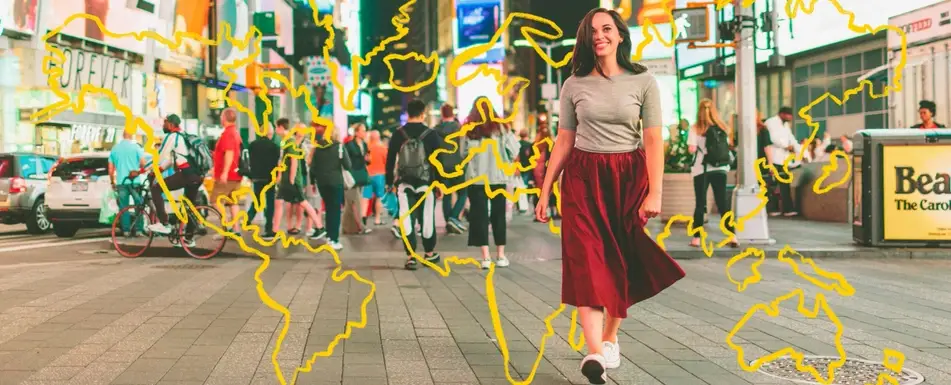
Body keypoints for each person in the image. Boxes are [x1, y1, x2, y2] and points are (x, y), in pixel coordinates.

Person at [534, 8, 685, 384]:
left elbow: (653, 138)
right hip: (583, 178)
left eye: (606, 29)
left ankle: (610, 336)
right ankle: (595, 354)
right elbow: (565, 139)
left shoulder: (643, 81)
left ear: (620, 36)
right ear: (585, 40)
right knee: (586, 259)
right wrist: (546, 187)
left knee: (623, 259)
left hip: (628, 176)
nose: (599, 36)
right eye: (592, 31)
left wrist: (655, 190)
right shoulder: (574, 84)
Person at [385, 99, 445, 270]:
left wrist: (390, 182)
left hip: (404, 183)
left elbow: (390, 161)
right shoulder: (430, 134)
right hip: (426, 183)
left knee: (406, 218)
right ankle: (429, 253)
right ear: (422, 113)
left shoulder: (398, 134)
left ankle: (411, 256)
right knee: (427, 218)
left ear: (408, 114)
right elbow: (438, 160)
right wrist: (440, 183)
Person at [461, 97, 520, 269]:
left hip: (476, 179)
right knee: (498, 215)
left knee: (479, 216)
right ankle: (501, 255)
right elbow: (514, 150)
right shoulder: (501, 128)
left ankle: (485, 257)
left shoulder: (468, 129)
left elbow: (463, 154)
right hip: (498, 178)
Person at [146, 114, 204, 247]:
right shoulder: (184, 136)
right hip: (197, 175)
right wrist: (159, 170)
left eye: (165, 123)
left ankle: (164, 224)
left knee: (156, 187)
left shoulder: (172, 137)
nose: (163, 125)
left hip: (186, 174)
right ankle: (188, 239)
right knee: (188, 205)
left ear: (171, 125)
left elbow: (160, 156)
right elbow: (170, 160)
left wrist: (146, 171)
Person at [686, 99, 738, 248]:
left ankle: (696, 238)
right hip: (721, 169)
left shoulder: (696, 128)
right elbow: (728, 146)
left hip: (702, 170)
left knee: (700, 203)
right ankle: (732, 236)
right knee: (723, 203)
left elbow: (692, 149)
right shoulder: (722, 127)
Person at [274, 124, 325, 241]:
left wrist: (292, 178)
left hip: (298, 177)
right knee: (282, 202)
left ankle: (318, 226)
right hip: (290, 178)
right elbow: (282, 160)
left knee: (302, 202)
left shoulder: (304, 144)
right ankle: (275, 230)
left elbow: (298, 161)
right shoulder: (289, 142)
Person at [309, 120, 351, 251]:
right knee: (335, 210)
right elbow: (348, 165)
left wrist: (312, 182)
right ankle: (334, 239)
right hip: (335, 181)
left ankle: (328, 236)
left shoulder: (318, 147)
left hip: (322, 182)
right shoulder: (339, 146)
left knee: (327, 208)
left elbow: (313, 167)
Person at [210, 108, 245, 235]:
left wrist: (224, 172)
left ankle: (227, 228)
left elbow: (229, 153)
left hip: (227, 176)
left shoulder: (228, 133)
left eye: (221, 116)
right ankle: (236, 229)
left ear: (224, 118)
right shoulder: (235, 133)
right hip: (236, 175)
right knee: (232, 202)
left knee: (215, 201)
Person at [434, 103, 467, 234]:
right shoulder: (460, 128)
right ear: (453, 113)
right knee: (463, 193)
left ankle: (449, 220)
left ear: (442, 114)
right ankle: (453, 217)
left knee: (446, 195)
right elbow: (465, 148)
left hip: (442, 166)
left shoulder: (435, 130)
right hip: (458, 165)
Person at [108, 130, 147, 236]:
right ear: (131, 135)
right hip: (135, 181)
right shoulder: (136, 147)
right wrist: (137, 167)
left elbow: (111, 168)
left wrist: (112, 181)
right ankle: (139, 230)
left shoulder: (115, 149)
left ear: (123, 135)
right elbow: (144, 163)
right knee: (138, 205)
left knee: (123, 207)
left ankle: (126, 231)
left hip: (121, 181)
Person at [246, 121, 281, 240]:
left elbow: (251, 161)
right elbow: (276, 163)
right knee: (270, 203)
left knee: (257, 200)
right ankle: (268, 228)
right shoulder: (274, 146)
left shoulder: (252, 145)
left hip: (257, 177)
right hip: (269, 178)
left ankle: (248, 219)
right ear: (270, 132)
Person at [764, 107, 801, 217]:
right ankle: (773, 208)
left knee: (785, 184)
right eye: (788, 115)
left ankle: (788, 208)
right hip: (773, 157)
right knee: (773, 185)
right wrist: (786, 146)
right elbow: (772, 138)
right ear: (782, 114)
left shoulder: (785, 125)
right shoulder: (771, 122)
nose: (790, 118)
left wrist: (798, 150)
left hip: (784, 160)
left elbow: (791, 138)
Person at [343, 122, 371, 234]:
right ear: (357, 132)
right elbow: (346, 161)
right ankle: (361, 227)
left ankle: (347, 227)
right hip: (351, 176)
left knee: (350, 204)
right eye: (363, 130)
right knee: (355, 201)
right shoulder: (349, 145)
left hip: (361, 175)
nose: (365, 132)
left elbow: (365, 160)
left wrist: (368, 160)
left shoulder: (364, 144)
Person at [363, 130, 388, 226]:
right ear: (378, 137)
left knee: (365, 198)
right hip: (380, 175)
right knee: (379, 198)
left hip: (368, 175)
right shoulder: (383, 148)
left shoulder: (367, 148)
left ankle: (363, 219)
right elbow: (387, 162)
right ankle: (377, 219)